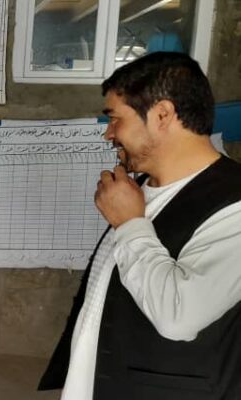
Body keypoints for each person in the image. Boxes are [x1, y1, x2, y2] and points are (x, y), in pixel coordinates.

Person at [39, 52, 241, 399]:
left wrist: (130, 223)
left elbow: (179, 317)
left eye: (115, 119)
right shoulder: (140, 188)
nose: (109, 134)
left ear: (162, 114)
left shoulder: (234, 202)